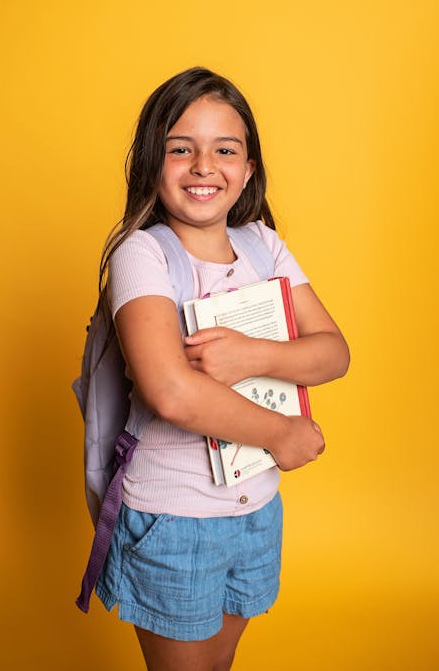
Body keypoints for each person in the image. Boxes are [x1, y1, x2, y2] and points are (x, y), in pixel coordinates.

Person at [94, 67, 350, 671]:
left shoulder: (265, 245)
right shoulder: (144, 253)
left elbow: (333, 351)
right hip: (175, 519)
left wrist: (251, 354)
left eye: (224, 149)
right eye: (181, 149)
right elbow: (170, 391)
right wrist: (281, 433)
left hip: (257, 509)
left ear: (249, 167)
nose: (204, 165)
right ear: (151, 162)